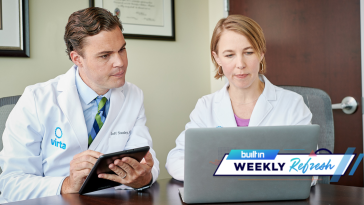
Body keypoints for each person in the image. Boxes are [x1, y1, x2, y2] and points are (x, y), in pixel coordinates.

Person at [0, 7, 159, 202]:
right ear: (77, 59)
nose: (120, 62)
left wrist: (145, 177)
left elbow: (146, 159)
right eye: (105, 55)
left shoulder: (133, 95)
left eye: (122, 49)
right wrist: (66, 184)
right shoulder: (36, 99)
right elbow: (11, 184)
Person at [166, 15, 315, 184]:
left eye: (249, 52)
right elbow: (176, 159)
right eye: (229, 55)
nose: (240, 64)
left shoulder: (292, 104)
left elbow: (310, 168)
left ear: (261, 53)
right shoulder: (206, 106)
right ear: (217, 58)